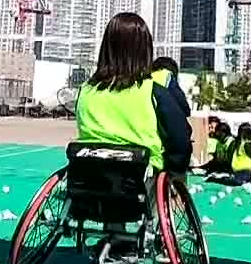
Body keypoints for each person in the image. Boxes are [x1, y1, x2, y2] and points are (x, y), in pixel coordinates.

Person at [72, 12, 192, 175]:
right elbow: (181, 140)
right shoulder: (153, 92)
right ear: (145, 50)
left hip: (88, 175)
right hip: (140, 178)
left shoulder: (85, 90)